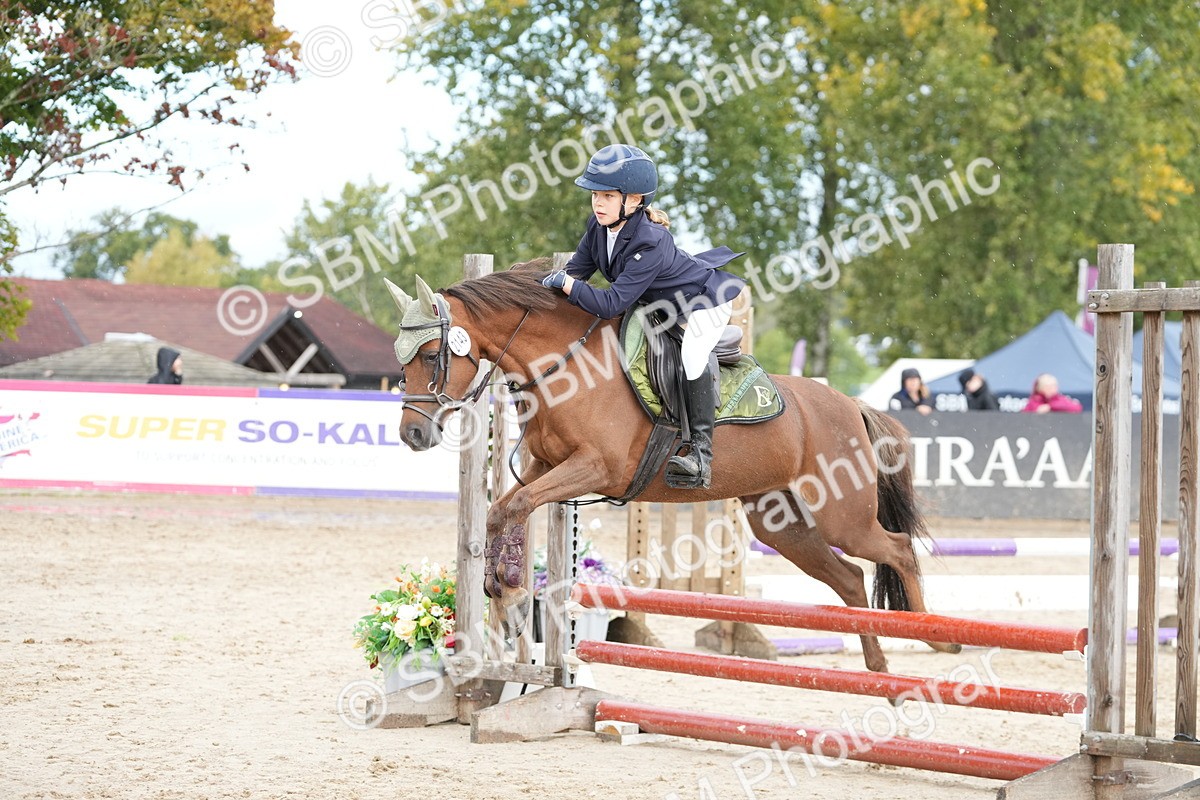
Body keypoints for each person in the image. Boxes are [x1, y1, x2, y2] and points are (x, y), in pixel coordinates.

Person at [540, 144, 746, 489]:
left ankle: (701, 455)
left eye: (607, 196)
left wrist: (567, 284)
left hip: (702, 301)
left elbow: (610, 303)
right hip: (658, 305)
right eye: (595, 195)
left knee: (692, 355)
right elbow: (575, 273)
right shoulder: (598, 227)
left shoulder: (651, 241)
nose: (598, 203)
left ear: (634, 200)